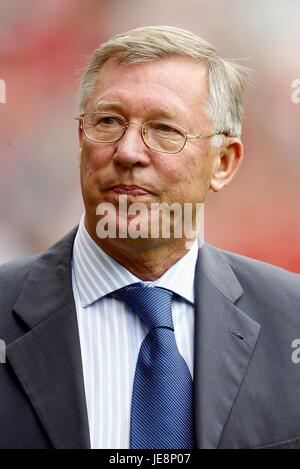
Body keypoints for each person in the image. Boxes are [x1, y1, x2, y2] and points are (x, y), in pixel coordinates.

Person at [0, 25, 300, 450]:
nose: (127, 151)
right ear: (79, 140)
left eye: (164, 130)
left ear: (224, 163)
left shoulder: (292, 322)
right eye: (108, 122)